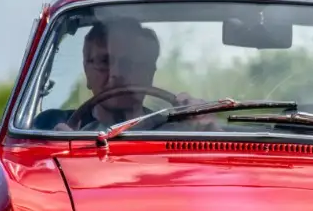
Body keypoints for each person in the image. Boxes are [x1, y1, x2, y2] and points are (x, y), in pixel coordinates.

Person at [44, 17, 200, 132]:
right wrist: (58, 148)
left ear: (149, 73)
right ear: (87, 70)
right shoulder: (48, 126)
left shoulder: (176, 131)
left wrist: (204, 124)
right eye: (104, 61)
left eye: (129, 63)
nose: (116, 73)